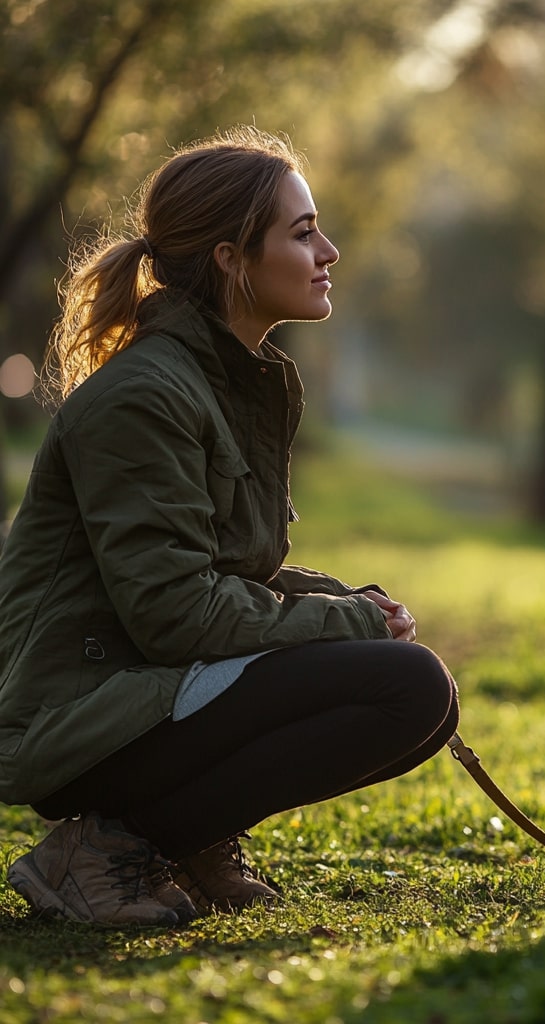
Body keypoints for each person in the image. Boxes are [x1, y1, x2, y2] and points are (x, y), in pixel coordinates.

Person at [0, 126, 460, 927]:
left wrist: (351, 604)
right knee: (409, 687)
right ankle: (106, 848)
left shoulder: (218, 380)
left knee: (414, 684)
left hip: (147, 689)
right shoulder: (145, 395)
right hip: (74, 719)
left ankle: (186, 833)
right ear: (231, 258)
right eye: (303, 232)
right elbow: (175, 613)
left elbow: (225, 574)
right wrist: (344, 618)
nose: (331, 252)